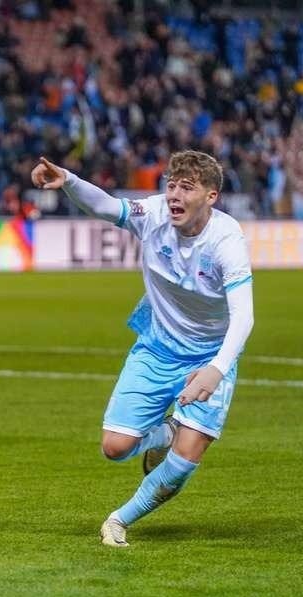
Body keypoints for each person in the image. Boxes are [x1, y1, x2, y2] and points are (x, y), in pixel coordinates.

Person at [31, 151, 254, 547]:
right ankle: (166, 432)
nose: (174, 195)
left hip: (209, 356)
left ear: (211, 196)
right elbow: (105, 206)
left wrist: (217, 369)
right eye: (171, 185)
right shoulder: (152, 215)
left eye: (187, 187)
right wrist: (67, 179)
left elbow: (244, 317)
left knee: (185, 460)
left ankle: (119, 520)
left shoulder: (227, 240)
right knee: (115, 448)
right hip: (157, 347)